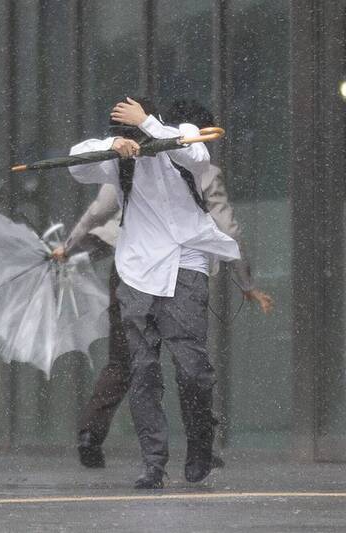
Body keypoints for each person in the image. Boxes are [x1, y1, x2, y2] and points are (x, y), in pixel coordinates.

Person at [54, 99, 274, 477]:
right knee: (142, 372)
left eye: (131, 130)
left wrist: (149, 125)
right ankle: (153, 464)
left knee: (193, 370)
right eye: (122, 133)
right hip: (136, 274)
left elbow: (198, 155)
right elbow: (78, 161)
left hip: (185, 269)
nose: (128, 138)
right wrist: (112, 147)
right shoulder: (118, 160)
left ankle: (200, 442)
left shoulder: (181, 137)